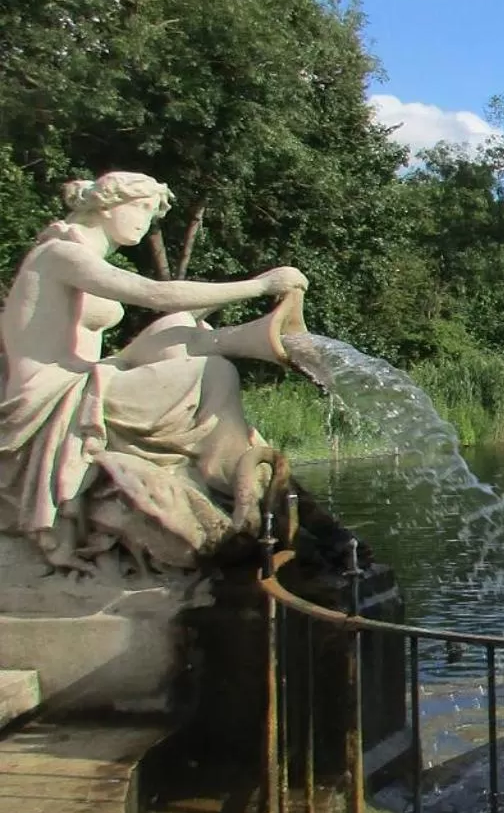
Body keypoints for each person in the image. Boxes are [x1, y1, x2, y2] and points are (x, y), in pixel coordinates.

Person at [0, 172, 306, 570]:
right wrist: (260, 285)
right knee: (211, 372)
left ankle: (234, 454)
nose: (146, 223)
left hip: (88, 377)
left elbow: (166, 315)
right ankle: (224, 466)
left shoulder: (77, 256)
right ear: (108, 204)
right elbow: (157, 295)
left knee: (181, 329)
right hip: (55, 395)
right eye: (141, 208)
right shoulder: (60, 255)